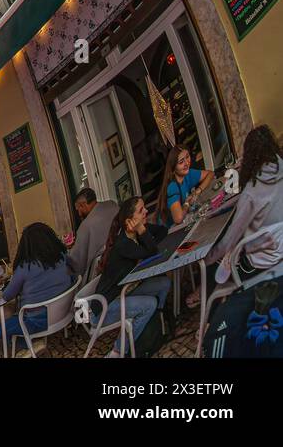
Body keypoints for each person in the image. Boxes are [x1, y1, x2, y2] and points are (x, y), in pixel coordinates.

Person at [95, 197, 172, 357]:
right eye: (141, 210)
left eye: (144, 208)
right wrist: (143, 232)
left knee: (163, 283)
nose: (146, 211)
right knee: (149, 304)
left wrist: (144, 232)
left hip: (127, 291)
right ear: (130, 221)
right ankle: (117, 352)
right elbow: (152, 251)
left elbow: (162, 231)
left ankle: (157, 321)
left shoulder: (137, 232)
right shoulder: (123, 244)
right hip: (106, 306)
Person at [211, 125, 283, 281]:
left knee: (217, 258)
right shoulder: (279, 164)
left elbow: (229, 241)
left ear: (249, 154)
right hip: (279, 245)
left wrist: (206, 259)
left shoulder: (253, 188)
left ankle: (209, 295)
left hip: (262, 263)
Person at [0, 223, 73, 352]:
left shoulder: (25, 267)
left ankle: (26, 348)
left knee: (1, 328)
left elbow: (6, 296)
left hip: (37, 322)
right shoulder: (61, 256)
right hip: (66, 311)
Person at [68, 187, 119, 278]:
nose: (79, 214)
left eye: (78, 209)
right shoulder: (112, 204)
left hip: (104, 270)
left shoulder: (86, 226)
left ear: (83, 204)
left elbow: (76, 264)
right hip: (120, 255)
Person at [159, 145, 213, 225]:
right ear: (173, 169)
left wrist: (198, 191)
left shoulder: (188, 174)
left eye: (187, 157)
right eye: (181, 162)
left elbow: (210, 174)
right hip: (169, 232)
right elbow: (178, 219)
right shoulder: (172, 187)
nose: (187, 163)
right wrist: (187, 203)